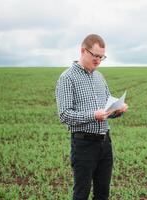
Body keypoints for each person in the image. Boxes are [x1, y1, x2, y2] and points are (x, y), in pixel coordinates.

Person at [55, 34, 128, 200]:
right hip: (84, 145)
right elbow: (65, 115)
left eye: (101, 57)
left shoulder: (99, 77)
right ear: (83, 51)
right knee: (81, 194)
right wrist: (93, 115)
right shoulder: (67, 78)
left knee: (103, 195)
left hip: (105, 143)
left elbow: (107, 108)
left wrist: (117, 110)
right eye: (95, 56)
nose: (98, 61)